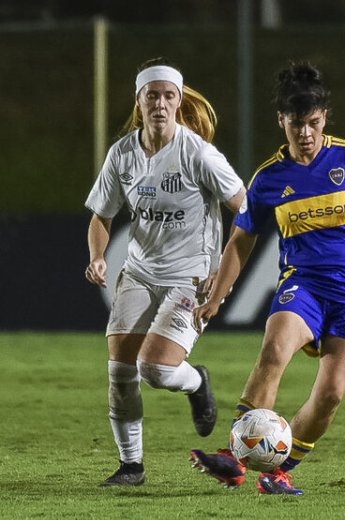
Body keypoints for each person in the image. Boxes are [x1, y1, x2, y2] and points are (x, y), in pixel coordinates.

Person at [189, 61, 345, 495]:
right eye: (297, 124)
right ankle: (234, 458)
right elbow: (241, 239)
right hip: (304, 286)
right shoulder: (269, 179)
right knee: (274, 350)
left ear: (324, 117)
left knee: (330, 395)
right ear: (282, 120)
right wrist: (217, 295)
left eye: (313, 123)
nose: (306, 133)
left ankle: (279, 470)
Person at [85, 58, 246, 486]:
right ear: (139, 101)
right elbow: (101, 215)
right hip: (138, 273)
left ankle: (196, 382)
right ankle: (131, 466)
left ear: (178, 102)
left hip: (189, 277)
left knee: (155, 369)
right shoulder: (122, 154)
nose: (159, 103)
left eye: (168, 96)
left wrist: (221, 269)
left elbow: (245, 208)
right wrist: (98, 256)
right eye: (151, 96)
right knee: (120, 373)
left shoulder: (199, 153)